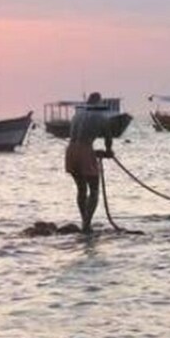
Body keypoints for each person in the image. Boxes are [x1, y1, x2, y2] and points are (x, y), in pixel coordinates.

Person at [65, 92, 114, 233]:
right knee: (94, 190)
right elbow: (108, 138)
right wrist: (108, 151)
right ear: (99, 103)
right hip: (85, 150)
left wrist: (93, 151)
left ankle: (84, 221)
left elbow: (76, 136)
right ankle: (86, 225)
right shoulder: (102, 117)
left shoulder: (77, 115)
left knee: (81, 189)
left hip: (71, 151)